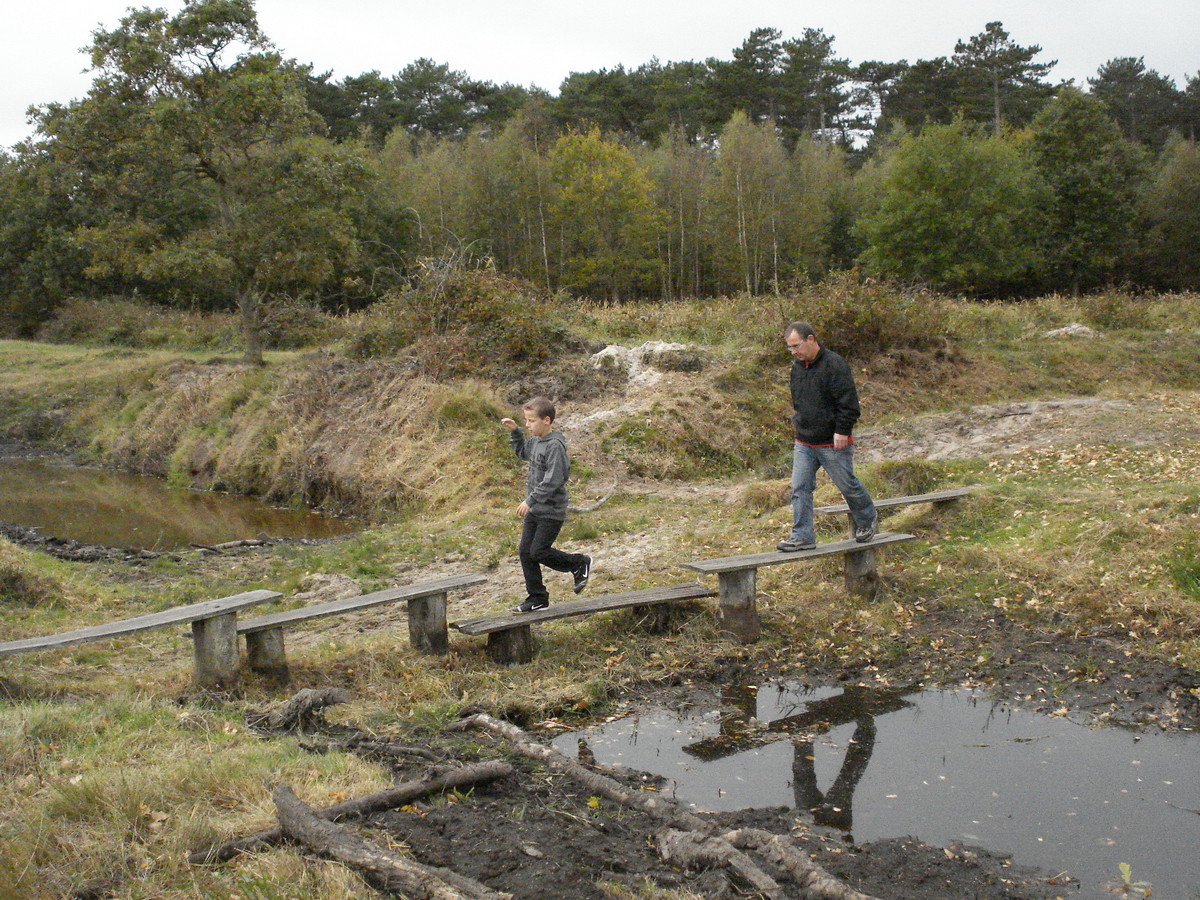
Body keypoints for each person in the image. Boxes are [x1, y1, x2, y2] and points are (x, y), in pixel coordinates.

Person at [778, 321, 877, 552]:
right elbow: (798, 400)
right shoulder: (797, 367)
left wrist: (842, 430)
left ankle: (867, 519)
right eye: (790, 348)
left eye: (796, 346)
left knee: (847, 485)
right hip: (804, 440)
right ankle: (802, 535)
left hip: (833, 442)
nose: (793, 352)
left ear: (811, 339)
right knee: (800, 487)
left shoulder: (835, 365)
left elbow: (849, 404)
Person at [501, 397, 592, 613]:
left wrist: (530, 499)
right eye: (526, 420)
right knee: (525, 552)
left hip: (551, 509)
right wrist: (515, 432)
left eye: (532, 421)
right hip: (536, 509)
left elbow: (554, 479)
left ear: (547, 420)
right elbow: (523, 452)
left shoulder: (555, 446)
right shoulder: (535, 441)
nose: (528, 424)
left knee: (539, 551)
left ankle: (578, 563)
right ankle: (538, 597)